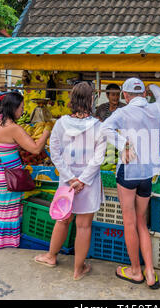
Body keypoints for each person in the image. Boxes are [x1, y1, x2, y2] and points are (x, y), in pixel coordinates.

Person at [34, 82, 107, 281]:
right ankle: (78, 268)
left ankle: (51, 256)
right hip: (88, 183)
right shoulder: (99, 127)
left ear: (72, 100)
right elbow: (98, 158)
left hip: (67, 182)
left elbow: (55, 153)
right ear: (91, 100)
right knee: (83, 226)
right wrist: (82, 180)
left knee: (63, 219)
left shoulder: (60, 124)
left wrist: (70, 178)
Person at [101, 78, 160, 289]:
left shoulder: (122, 113)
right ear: (144, 95)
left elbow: (104, 129)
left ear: (125, 95)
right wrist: (151, 87)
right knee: (141, 221)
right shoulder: (156, 108)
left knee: (129, 222)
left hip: (129, 173)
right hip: (148, 174)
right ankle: (150, 272)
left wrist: (124, 145)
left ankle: (135, 271)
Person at [0, 92, 50, 249]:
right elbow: (35, 149)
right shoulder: (13, 128)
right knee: (8, 211)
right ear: (13, 108)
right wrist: (46, 132)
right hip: (6, 178)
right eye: (21, 107)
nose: (23, 110)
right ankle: (5, 244)